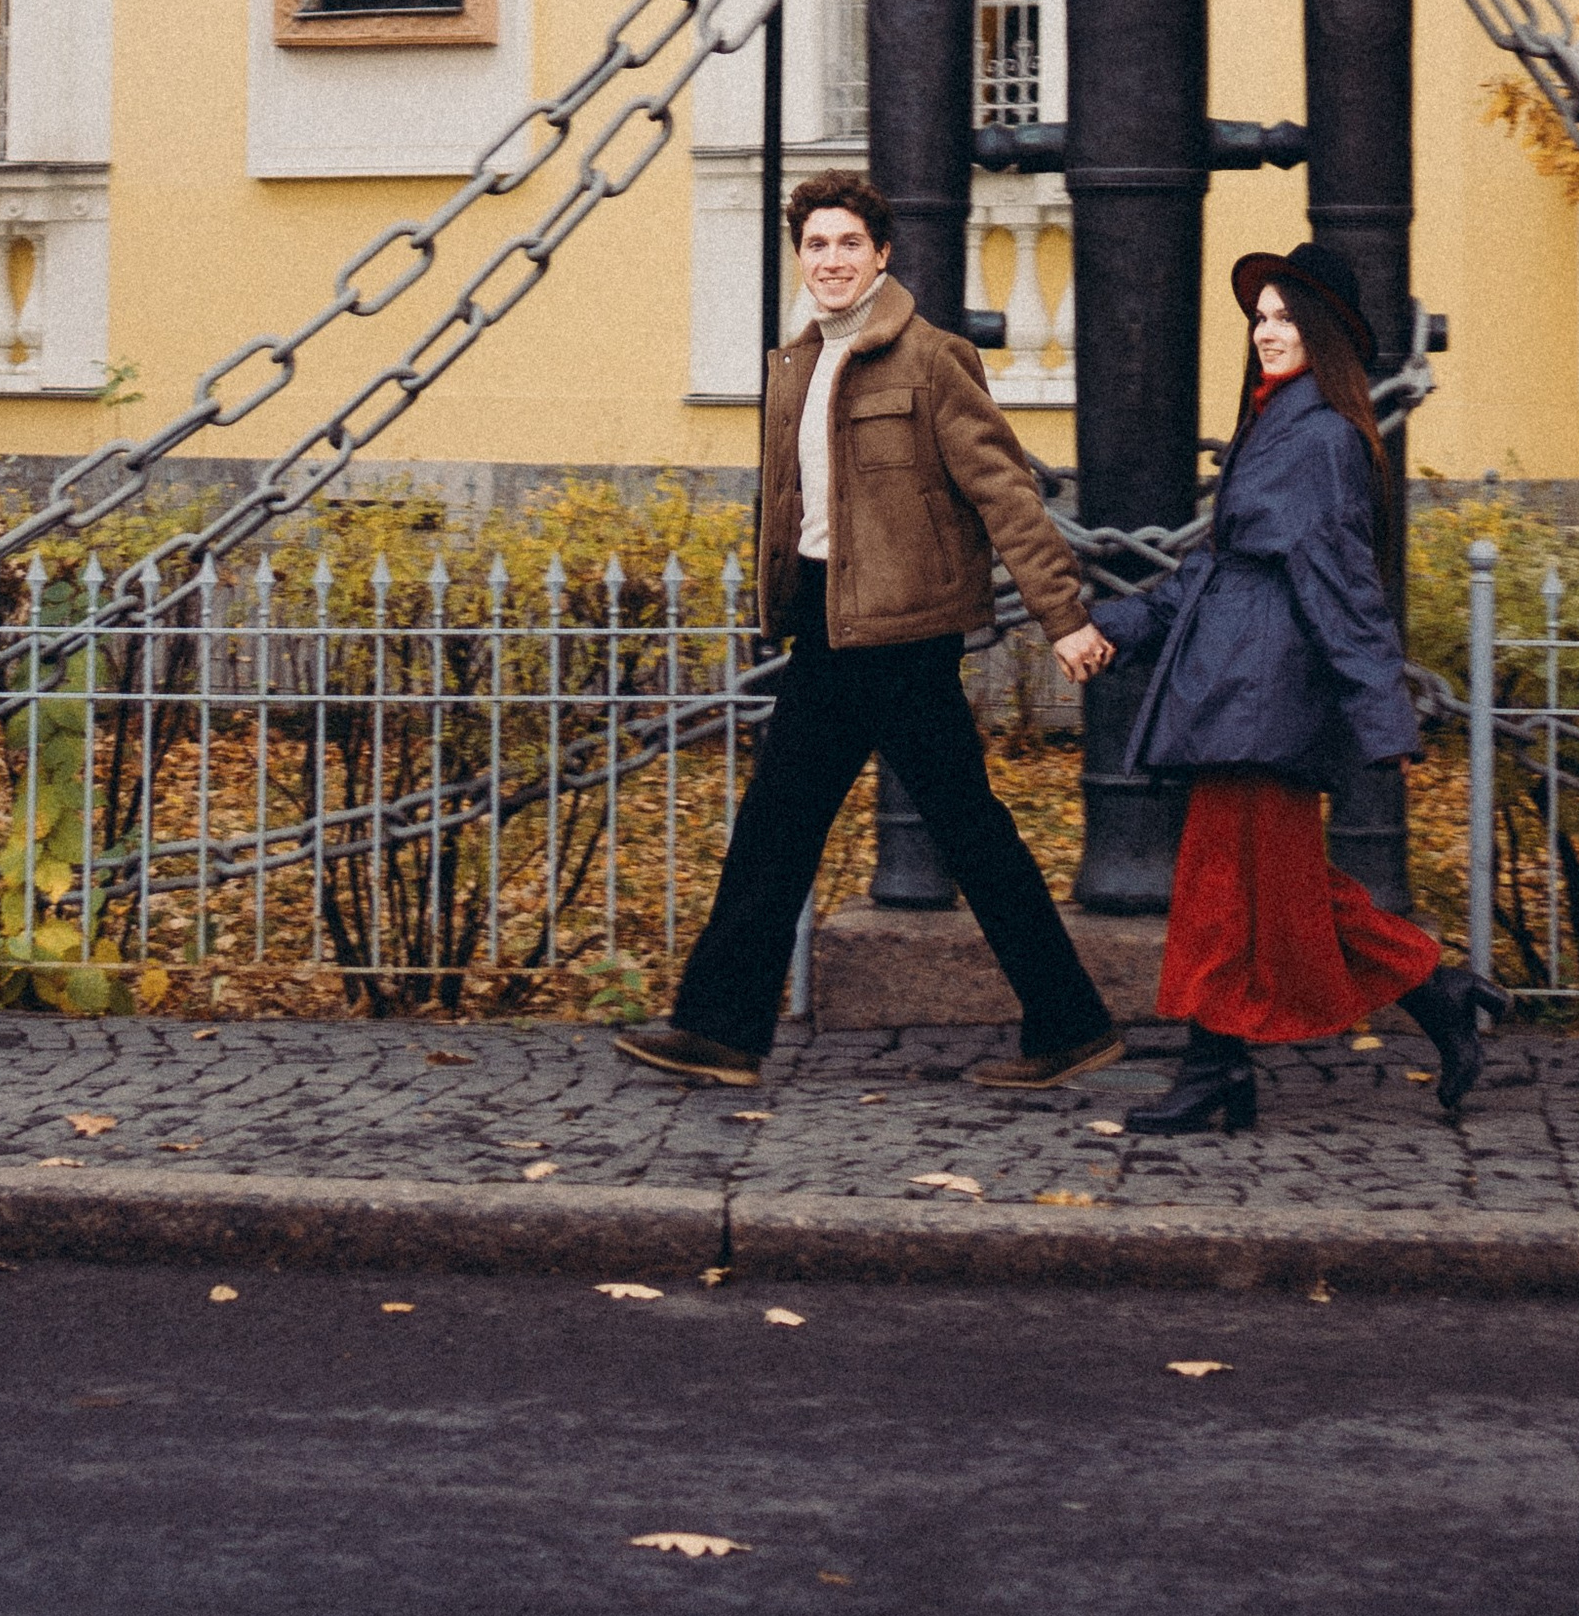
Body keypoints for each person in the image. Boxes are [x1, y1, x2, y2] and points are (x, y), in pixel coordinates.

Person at [615, 173, 1124, 1092]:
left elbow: (1005, 492)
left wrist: (1063, 617)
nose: (832, 261)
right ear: (800, 258)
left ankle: (1067, 1020)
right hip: (828, 625)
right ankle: (724, 1027)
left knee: (957, 832)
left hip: (904, 638)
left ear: (882, 254)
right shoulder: (799, 365)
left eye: (849, 243)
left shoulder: (931, 359)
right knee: (788, 826)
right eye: (817, 245)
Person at [1088, 243, 1506, 1134]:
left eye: (1286, 317)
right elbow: (1217, 575)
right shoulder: (1279, 424)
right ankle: (1435, 996)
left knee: (1221, 891)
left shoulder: (1314, 437)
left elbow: (1344, 585)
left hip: (1261, 701)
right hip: (1240, 692)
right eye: (1261, 317)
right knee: (1276, 890)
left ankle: (1213, 1071)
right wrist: (1112, 627)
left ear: (1325, 333)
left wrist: (1380, 713)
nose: (1267, 331)